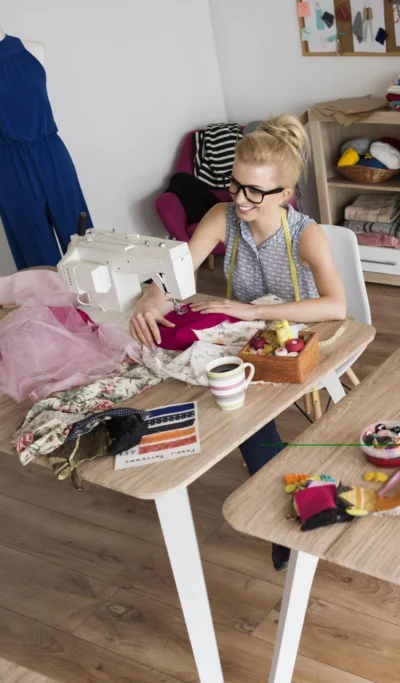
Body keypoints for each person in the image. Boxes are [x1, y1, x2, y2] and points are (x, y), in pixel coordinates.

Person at [129, 114, 347, 570]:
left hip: (296, 332)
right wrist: (151, 295)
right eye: (235, 185)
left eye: (254, 191)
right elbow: (177, 274)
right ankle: (284, 495)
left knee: (235, 398)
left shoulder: (305, 234)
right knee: (216, 386)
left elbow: (335, 307)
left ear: (284, 195)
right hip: (246, 330)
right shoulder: (222, 216)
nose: (240, 199)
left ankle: (283, 502)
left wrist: (253, 312)